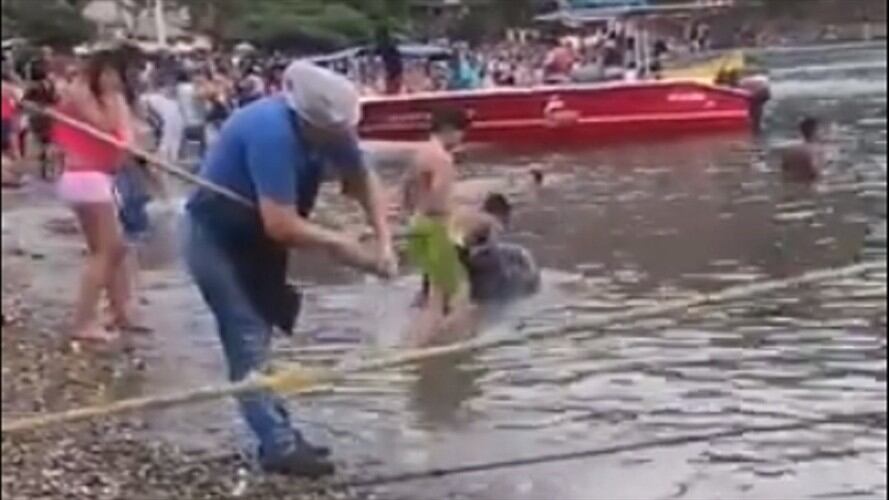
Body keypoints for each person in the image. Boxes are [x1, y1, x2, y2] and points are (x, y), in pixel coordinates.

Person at [183, 60, 396, 478]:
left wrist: (383, 241)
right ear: (309, 121)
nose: (342, 137)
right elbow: (281, 223)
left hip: (259, 240)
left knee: (263, 328)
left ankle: (278, 430)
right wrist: (342, 245)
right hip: (215, 237)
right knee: (246, 334)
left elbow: (362, 178)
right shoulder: (272, 132)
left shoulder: (332, 131)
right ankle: (278, 446)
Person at [53, 50, 143, 343]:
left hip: (99, 178)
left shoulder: (105, 96)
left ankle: (120, 312)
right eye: (110, 73)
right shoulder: (82, 91)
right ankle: (83, 322)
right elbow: (106, 127)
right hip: (85, 178)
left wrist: (123, 117)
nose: (114, 80)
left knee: (116, 249)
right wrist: (118, 104)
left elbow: (126, 140)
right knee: (104, 251)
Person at [781, 116, 822, 183]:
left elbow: (784, 171)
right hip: (810, 186)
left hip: (791, 185)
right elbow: (814, 171)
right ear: (815, 131)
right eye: (820, 130)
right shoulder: (817, 150)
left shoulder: (790, 150)